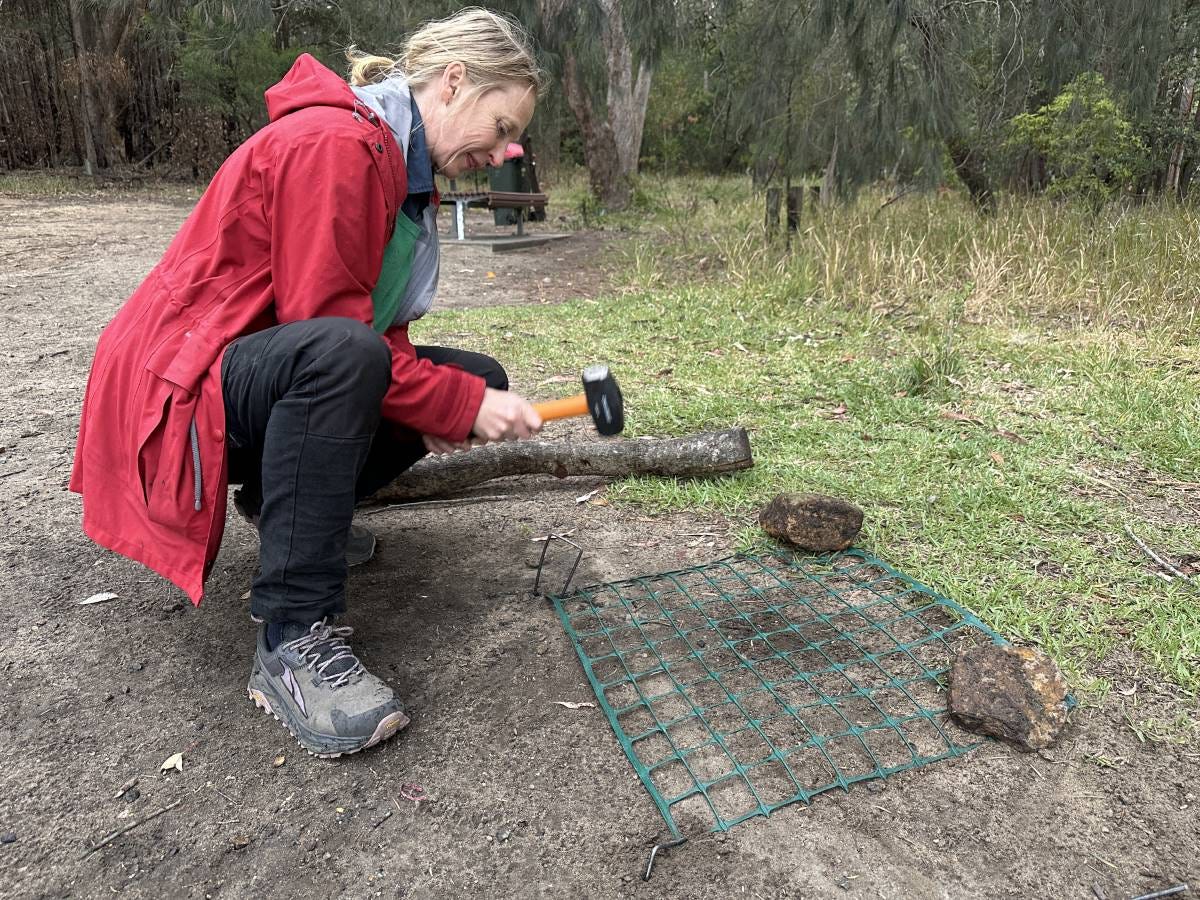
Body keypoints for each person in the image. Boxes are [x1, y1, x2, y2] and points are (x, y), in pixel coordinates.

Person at [70, 8, 545, 758]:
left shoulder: (395, 169)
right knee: (346, 358)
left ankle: (279, 507)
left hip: (244, 367)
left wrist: (464, 399)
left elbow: (368, 330)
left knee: (471, 377)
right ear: (455, 83)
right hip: (173, 388)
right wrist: (452, 407)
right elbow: (333, 331)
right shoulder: (338, 144)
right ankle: (293, 640)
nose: (508, 147)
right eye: (503, 121)